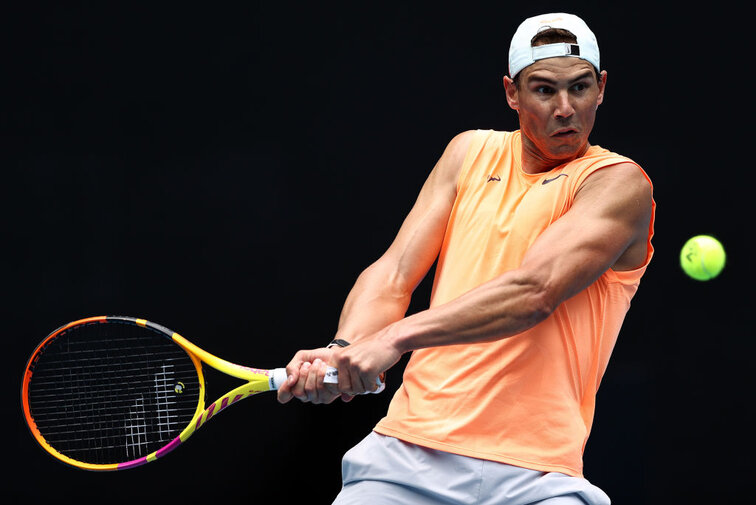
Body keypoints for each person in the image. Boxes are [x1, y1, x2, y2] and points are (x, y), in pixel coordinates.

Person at [278, 12, 655, 505]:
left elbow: (533, 292)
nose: (566, 109)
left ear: (601, 87)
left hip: (538, 480)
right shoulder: (468, 153)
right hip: (407, 458)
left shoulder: (619, 183)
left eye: (580, 88)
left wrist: (392, 338)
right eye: (544, 90)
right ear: (511, 93)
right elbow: (394, 275)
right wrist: (343, 350)